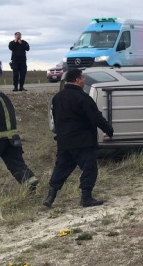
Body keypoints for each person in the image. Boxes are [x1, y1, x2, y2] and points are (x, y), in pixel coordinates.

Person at [44, 68, 114, 208]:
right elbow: (95, 117)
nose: (84, 81)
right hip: (83, 141)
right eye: (82, 78)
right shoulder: (83, 97)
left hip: (64, 141)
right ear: (77, 80)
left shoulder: (57, 98)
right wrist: (109, 130)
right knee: (90, 168)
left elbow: (56, 120)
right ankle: (86, 198)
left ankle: (50, 196)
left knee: (61, 168)